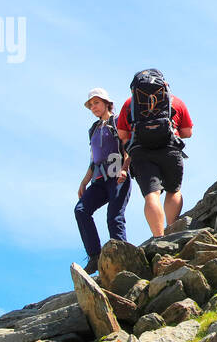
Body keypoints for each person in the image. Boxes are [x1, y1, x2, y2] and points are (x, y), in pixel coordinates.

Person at [116, 69, 193, 237]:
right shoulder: (175, 101)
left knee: (152, 195)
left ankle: (158, 238)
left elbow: (122, 134)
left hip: (141, 152)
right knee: (173, 190)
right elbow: (187, 132)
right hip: (170, 149)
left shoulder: (129, 103)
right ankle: (172, 230)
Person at [75, 88, 131, 273]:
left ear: (107, 103)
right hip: (98, 179)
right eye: (91, 105)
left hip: (117, 175)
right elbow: (94, 160)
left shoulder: (117, 121)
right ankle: (94, 256)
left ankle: (123, 259)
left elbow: (126, 147)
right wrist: (84, 182)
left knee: (114, 217)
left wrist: (124, 170)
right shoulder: (93, 129)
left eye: (96, 103)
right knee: (81, 210)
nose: (93, 107)